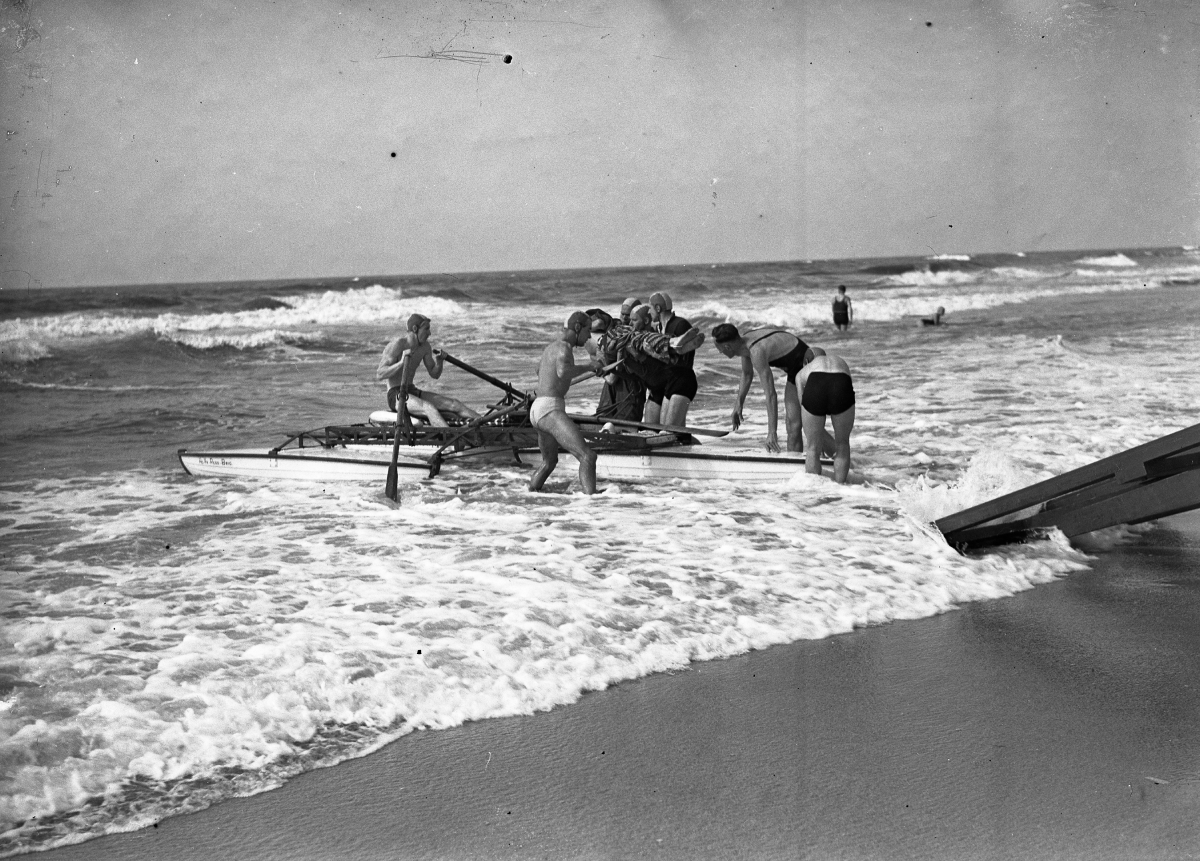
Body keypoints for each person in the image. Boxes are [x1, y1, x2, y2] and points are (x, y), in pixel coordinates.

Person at [711, 323, 833, 455]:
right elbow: (747, 374)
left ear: (727, 346)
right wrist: (738, 404)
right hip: (795, 370)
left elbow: (771, 394)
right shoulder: (744, 344)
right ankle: (795, 467)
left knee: (808, 423)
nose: (721, 353)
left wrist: (772, 433)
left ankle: (840, 456)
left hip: (809, 364)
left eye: (720, 350)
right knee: (793, 426)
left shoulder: (756, 351)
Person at [528, 311, 598, 495]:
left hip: (538, 409)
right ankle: (593, 503)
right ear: (577, 328)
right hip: (550, 409)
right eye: (588, 330)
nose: (589, 336)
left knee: (549, 462)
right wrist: (590, 367)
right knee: (587, 456)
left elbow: (539, 370)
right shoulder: (564, 348)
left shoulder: (550, 348)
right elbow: (563, 372)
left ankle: (530, 494)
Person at [376, 313, 480, 427]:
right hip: (396, 394)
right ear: (415, 329)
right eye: (426, 329)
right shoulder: (398, 344)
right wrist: (401, 363)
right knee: (429, 408)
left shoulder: (425, 347)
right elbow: (380, 374)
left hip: (412, 391)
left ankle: (489, 427)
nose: (429, 333)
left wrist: (439, 362)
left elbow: (434, 374)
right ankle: (450, 438)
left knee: (455, 404)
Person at [800, 352, 855, 483]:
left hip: (815, 382)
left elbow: (802, 402)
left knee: (812, 448)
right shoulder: (840, 361)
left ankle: (815, 489)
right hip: (841, 381)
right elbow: (846, 388)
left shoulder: (805, 370)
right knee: (842, 444)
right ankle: (840, 487)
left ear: (807, 362)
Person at [647, 291, 700, 427]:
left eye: (650, 307)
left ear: (658, 308)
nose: (649, 311)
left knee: (670, 430)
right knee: (670, 429)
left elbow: (686, 359)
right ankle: (690, 447)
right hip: (669, 381)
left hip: (682, 379)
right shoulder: (659, 328)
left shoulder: (680, 325)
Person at [590, 308, 647, 421]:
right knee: (603, 417)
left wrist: (601, 372)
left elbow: (612, 379)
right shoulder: (615, 329)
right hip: (613, 381)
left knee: (625, 422)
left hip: (629, 385)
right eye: (623, 314)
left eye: (630, 316)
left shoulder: (633, 338)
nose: (626, 318)